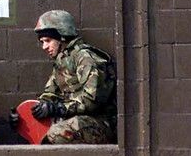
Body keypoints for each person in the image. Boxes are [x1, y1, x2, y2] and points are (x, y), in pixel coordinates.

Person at [10, 9, 117, 144]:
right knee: (40, 131)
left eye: (48, 40)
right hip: (73, 121)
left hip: (100, 123)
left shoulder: (86, 58)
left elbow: (92, 100)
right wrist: (24, 118)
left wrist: (59, 108)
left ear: (62, 37)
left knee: (56, 133)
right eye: (42, 42)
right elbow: (49, 95)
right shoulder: (62, 62)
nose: (44, 46)